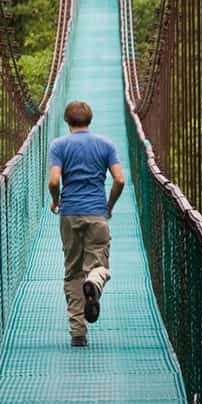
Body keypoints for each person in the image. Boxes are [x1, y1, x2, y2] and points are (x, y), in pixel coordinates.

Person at [48, 100, 126, 347]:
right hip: (96, 214)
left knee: (72, 272)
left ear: (67, 121)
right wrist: (109, 207)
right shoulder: (106, 145)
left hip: (69, 214)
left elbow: (53, 181)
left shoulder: (59, 145)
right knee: (99, 266)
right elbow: (120, 180)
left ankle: (77, 332)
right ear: (89, 119)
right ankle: (93, 281)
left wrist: (56, 200)